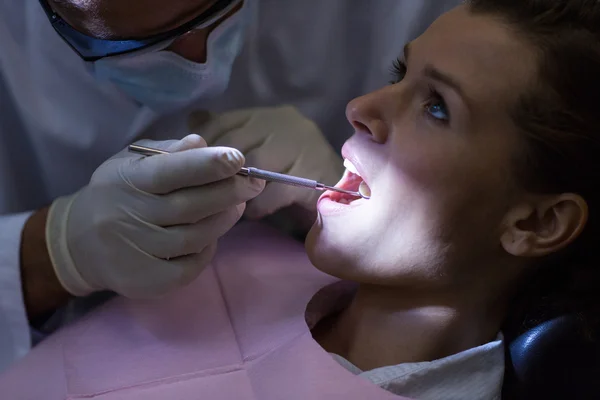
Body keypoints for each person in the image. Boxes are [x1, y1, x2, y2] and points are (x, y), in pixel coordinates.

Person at [2, 0, 599, 398]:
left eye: (436, 106)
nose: (358, 107)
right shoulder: (236, 261)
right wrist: (55, 249)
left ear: (538, 221)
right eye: (398, 72)